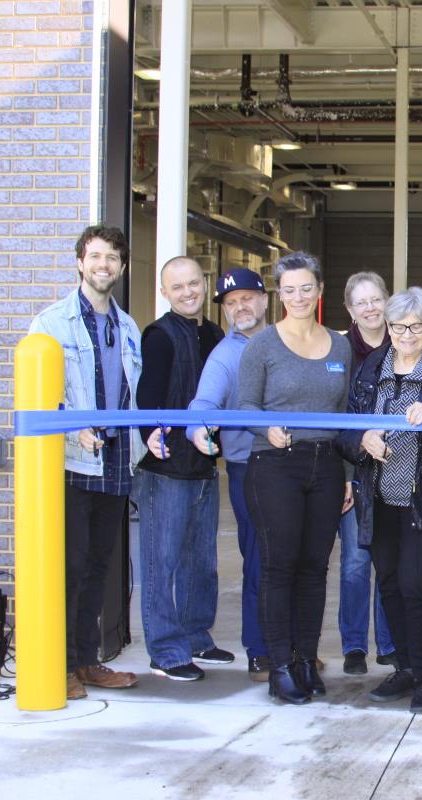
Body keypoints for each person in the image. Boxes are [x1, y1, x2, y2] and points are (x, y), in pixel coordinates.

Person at [337, 287, 422, 713]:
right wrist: (363, 439)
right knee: (389, 583)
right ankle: (406, 667)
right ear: (387, 327)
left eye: (415, 325)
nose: (407, 334)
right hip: (379, 497)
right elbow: (346, 430)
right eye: (398, 326)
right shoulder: (372, 367)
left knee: (415, 587)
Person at [28, 224, 143, 700]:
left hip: (115, 460)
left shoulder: (128, 326)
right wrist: (70, 425)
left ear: (121, 266)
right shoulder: (52, 323)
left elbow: (132, 397)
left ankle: (87, 661)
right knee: (70, 567)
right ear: (80, 262)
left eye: (112, 258)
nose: (103, 265)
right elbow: (38, 395)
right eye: (95, 256)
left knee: (99, 566)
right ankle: (58, 666)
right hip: (74, 463)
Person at [238, 251, 352, 704]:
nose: (299, 296)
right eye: (290, 290)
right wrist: (265, 426)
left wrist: (345, 475)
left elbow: (344, 416)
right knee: (279, 565)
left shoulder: (339, 346)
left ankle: (306, 657)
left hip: (325, 466)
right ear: (278, 294)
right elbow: (243, 406)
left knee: (314, 567)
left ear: (319, 290)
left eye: (307, 288)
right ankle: (280, 665)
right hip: (275, 466)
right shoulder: (262, 346)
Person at [134, 257, 230, 682]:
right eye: (178, 287)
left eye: (194, 283)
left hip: (204, 465)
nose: (188, 292)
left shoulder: (213, 334)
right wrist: (150, 434)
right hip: (167, 467)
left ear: (204, 283)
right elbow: (147, 396)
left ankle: (195, 637)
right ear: (165, 292)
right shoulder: (158, 335)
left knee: (201, 560)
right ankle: (166, 649)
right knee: (163, 561)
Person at [187, 267, 271, 680]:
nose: (240, 307)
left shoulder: (287, 340)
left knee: (296, 561)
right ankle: (259, 651)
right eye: (230, 302)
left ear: (264, 299)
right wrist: (197, 427)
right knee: (259, 560)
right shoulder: (225, 355)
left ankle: (289, 645)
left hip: (298, 467)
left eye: (247, 298)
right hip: (249, 469)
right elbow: (204, 403)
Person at [338, 271, 395, 676]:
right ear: (350, 310)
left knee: (389, 562)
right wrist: (344, 474)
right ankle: (354, 645)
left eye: (376, 299)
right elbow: (338, 417)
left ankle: (389, 644)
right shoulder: (339, 353)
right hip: (354, 472)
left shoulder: (405, 345)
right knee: (356, 562)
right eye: (362, 302)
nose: (371, 308)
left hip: (395, 471)